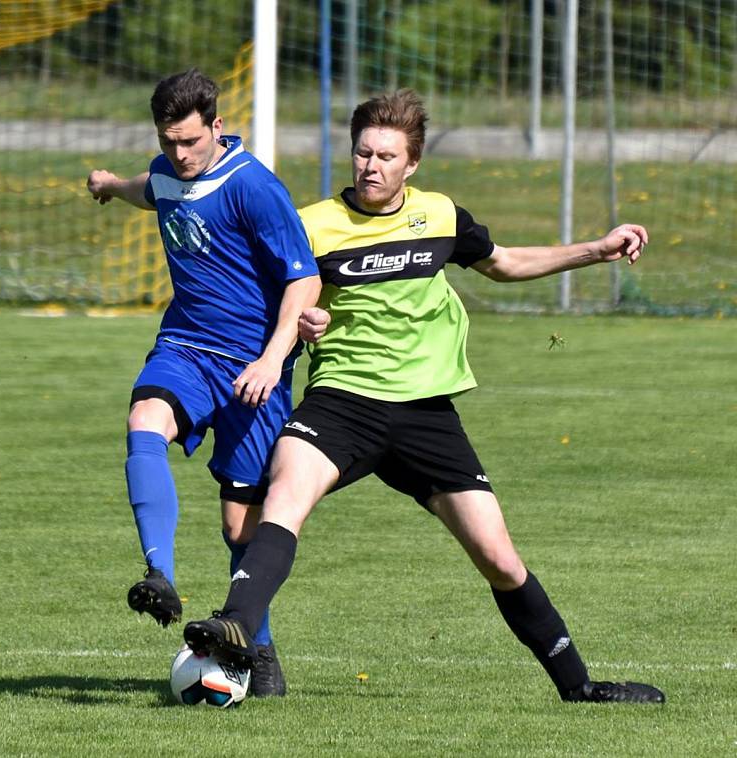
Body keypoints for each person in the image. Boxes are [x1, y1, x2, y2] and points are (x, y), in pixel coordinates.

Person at [183, 90, 665, 704]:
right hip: (343, 401)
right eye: (363, 153)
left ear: (412, 164)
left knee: (500, 560)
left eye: (386, 156)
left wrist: (595, 250)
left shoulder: (441, 216)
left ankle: (581, 688)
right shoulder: (312, 225)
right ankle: (236, 628)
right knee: (286, 493)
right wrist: (302, 328)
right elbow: (281, 301)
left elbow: (505, 262)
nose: (371, 166)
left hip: (425, 414)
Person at [86, 68, 320, 697]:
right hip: (186, 348)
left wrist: (273, 359)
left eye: (190, 142)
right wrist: (110, 185)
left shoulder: (256, 188)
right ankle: (159, 573)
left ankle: (259, 652)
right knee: (143, 422)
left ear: (217, 126)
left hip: (252, 368)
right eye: (169, 142)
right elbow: (150, 187)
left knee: (242, 527)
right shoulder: (166, 170)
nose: (180, 155)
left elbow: (304, 281)